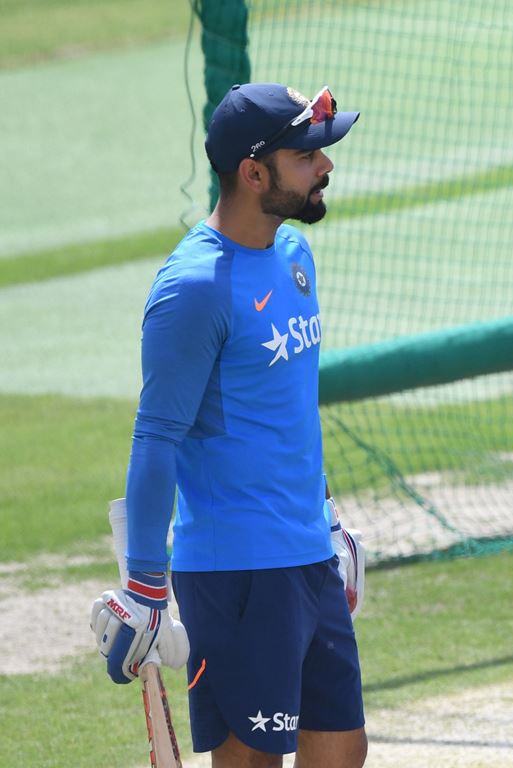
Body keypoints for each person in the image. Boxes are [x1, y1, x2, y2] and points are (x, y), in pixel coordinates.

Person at [90, 82, 368, 768]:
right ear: (253, 172)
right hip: (238, 571)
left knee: (343, 751)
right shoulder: (193, 290)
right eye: (306, 156)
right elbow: (156, 437)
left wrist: (325, 517)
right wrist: (148, 589)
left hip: (305, 554)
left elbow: (287, 408)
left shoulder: (295, 258)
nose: (324, 166)